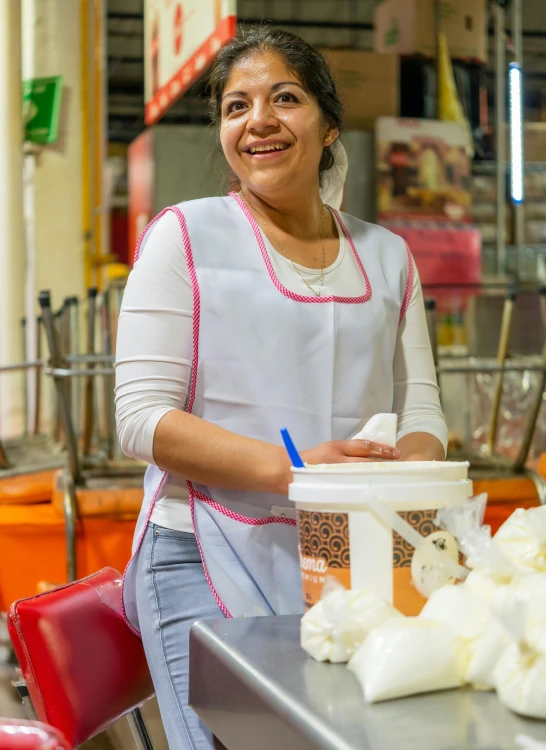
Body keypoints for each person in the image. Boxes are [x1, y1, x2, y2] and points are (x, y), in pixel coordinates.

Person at [115, 26, 447, 750]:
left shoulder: (386, 256)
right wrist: (298, 474)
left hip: (350, 550)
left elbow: (421, 405)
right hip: (202, 544)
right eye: (236, 107)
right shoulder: (185, 237)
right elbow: (141, 420)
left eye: (284, 98)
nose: (257, 120)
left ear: (328, 126)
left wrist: (394, 476)